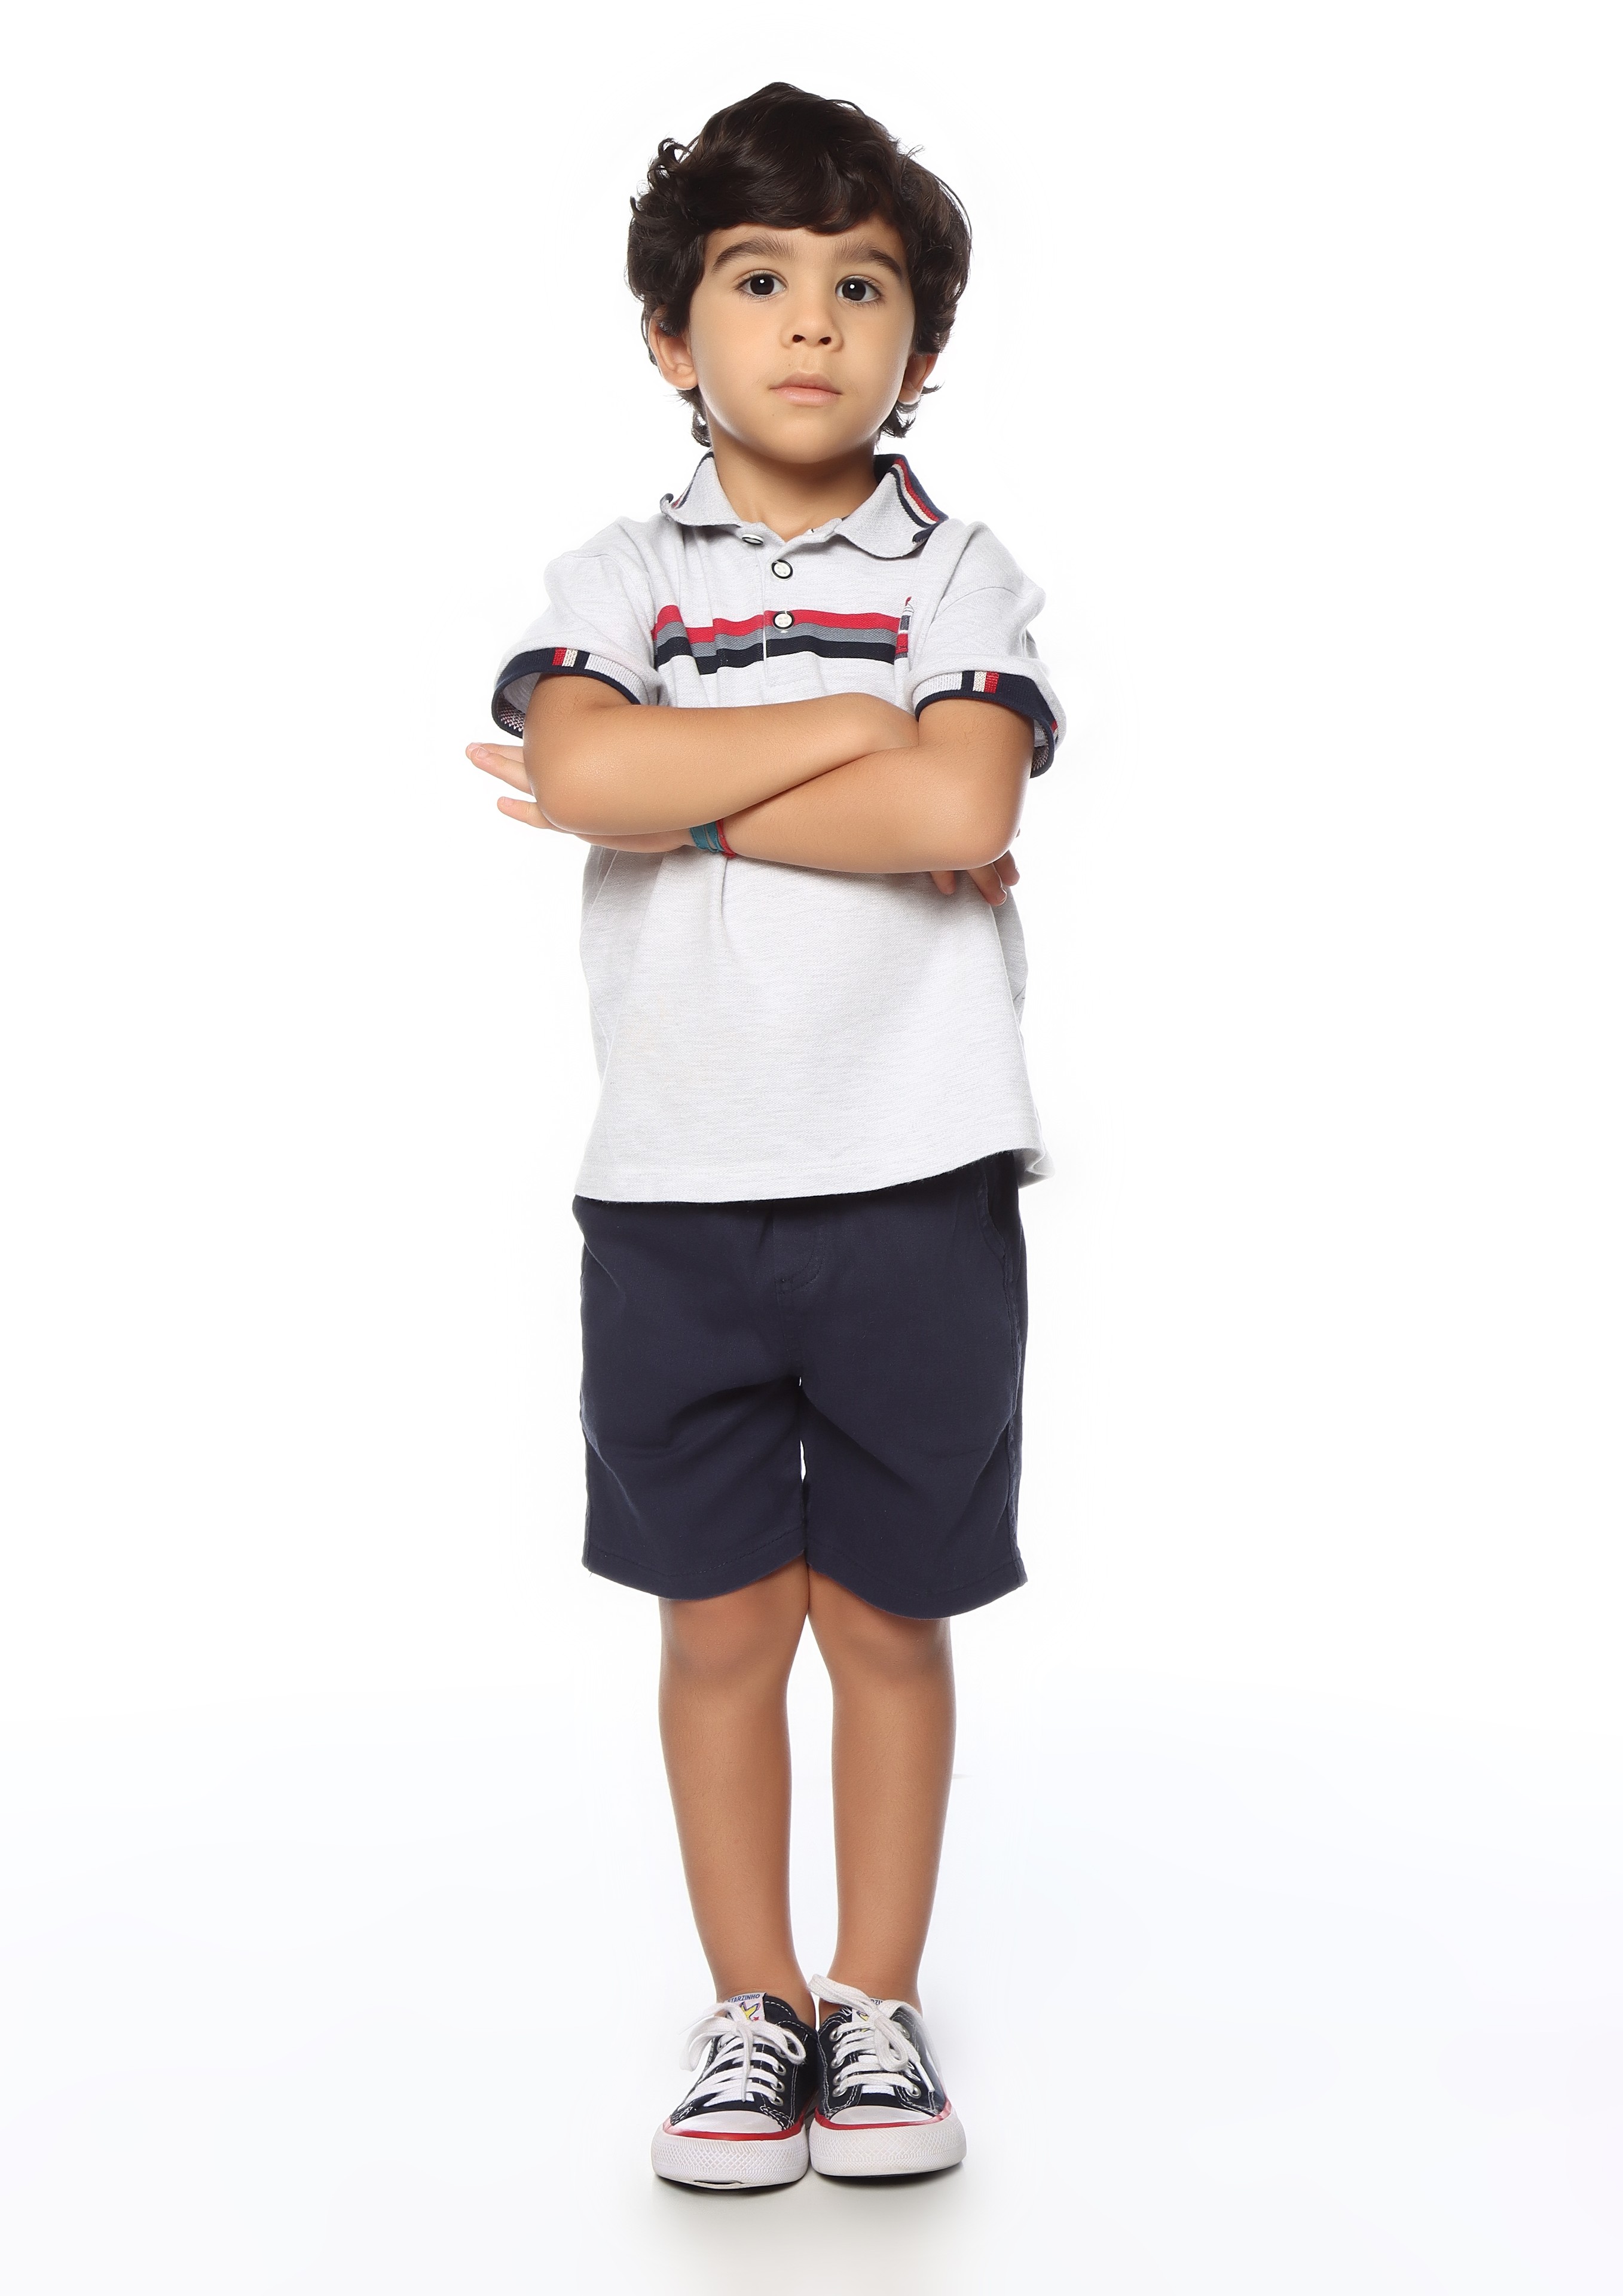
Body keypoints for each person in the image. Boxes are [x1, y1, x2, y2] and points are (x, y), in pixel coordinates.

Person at [468, 83, 1064, 2190]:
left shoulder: (962, 568)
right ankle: (756, 2010)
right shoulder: (616, 569)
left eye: (860, 287)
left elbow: (959, 804)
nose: (810, 321)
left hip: (917, 1179)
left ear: (920, 346)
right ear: (672, 333)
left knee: (886, 1617)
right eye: (756, 279)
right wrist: (844, 731)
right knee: (719, 1621)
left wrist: (691, 782)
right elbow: (583, 769)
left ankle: (872, 2008)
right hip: (672, 1196)